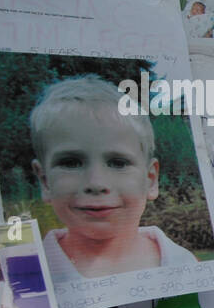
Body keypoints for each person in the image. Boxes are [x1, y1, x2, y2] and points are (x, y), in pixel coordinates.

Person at [29, 75, 199, 281]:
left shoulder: (184, 264)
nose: (96, 183)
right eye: (71, 163)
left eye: (118, 163)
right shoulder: (28, 276)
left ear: (150, 179)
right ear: (45, 181)